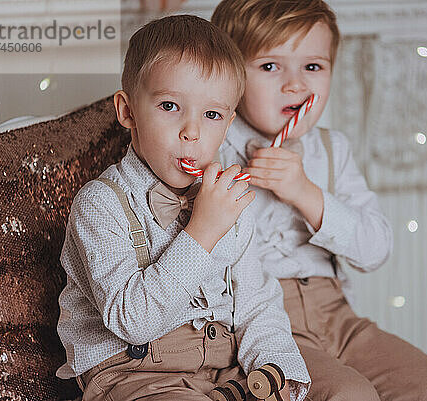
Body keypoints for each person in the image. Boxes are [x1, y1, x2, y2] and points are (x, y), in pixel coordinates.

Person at [212, 1, 427, 400]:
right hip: (261, 325)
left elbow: (375, 249)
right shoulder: (212, 153)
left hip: (339, 318)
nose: (296, 85)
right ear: (229, 74)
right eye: (270, 66)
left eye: (313, 67)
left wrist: (306, 193)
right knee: (349, 395)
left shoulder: (333, 150)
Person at [56, 14, 310, 401]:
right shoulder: (101, 204)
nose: (191, 131)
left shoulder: (228, 199)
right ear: (127, 112)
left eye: (211, 115)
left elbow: (257, 302)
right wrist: (203, 231)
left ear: (228, 124)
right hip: (134, 374)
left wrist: (278, 366)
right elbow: (133, 321)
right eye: (170, 105)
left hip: (219, 371)